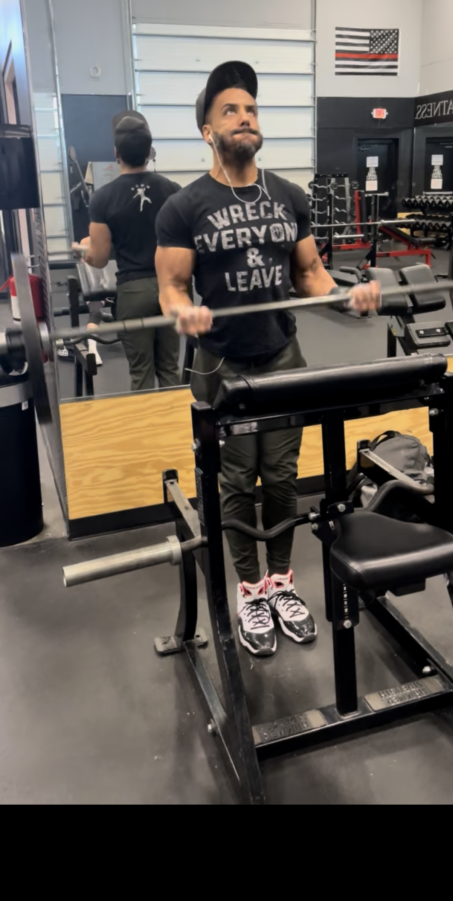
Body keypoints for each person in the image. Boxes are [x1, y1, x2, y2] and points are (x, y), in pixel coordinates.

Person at [155, 62, 380, 657]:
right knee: (235, 481)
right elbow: (171, 287)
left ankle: (281, 581)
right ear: (208, 131)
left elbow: (310, 274)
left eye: (251, 108)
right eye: (230, 109)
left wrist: (347, 296)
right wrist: (182, 311)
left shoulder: (288, 196)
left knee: (280, 476)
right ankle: (249, 590)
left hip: (281, 356)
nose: (245, 117)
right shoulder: (183, 206)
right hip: (219, 363)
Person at [75, 111, 181, 391]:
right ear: (149, 152)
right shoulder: (173, 190)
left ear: (116, 153)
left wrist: (81, 251)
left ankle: (147, 421)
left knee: (141, 373)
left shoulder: (103, 198)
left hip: (134, 292)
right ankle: (177, 420)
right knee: (170, 369)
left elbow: (99, 259)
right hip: (171, 288)